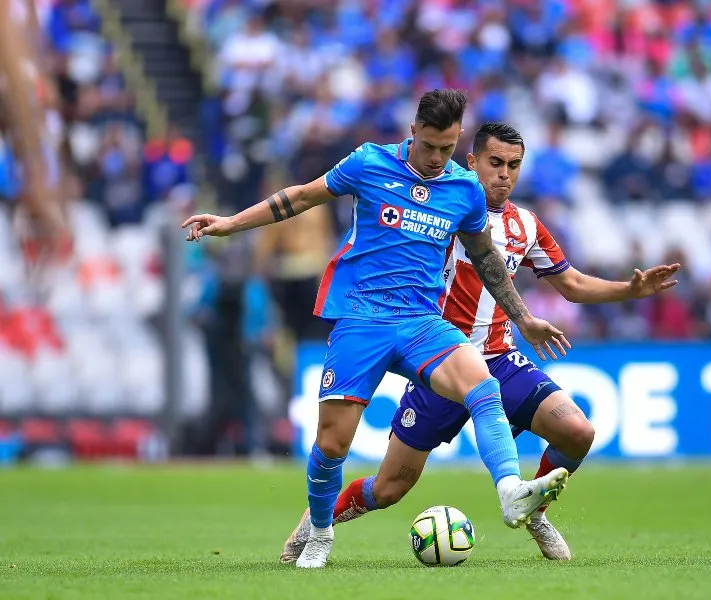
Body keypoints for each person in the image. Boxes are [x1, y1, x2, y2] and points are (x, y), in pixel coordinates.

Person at [182, 90, 571, 568]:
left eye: (447, 149)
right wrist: (228, 224)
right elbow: (301, 197)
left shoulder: (465, 189)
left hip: (422, 323)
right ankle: (321, 532)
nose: (436, 159)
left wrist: (523, 317)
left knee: (482, 385)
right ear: (413, 132)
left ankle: (511, 491)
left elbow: (487, 259)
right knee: (332, 443)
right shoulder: (369, 163)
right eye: (429, 146)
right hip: (362, 319)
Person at [279, 122, 680, 563]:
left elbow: (572, 283)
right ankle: (316, 524)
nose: (504, 174)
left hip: (499, 360)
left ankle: (534, 512)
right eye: (495, 163)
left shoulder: (525, 225)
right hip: (437, 363)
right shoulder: (444, 207)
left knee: (577, 431)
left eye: (513, 165)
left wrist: (630, 289)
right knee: (390, 488)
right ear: (471, 162)